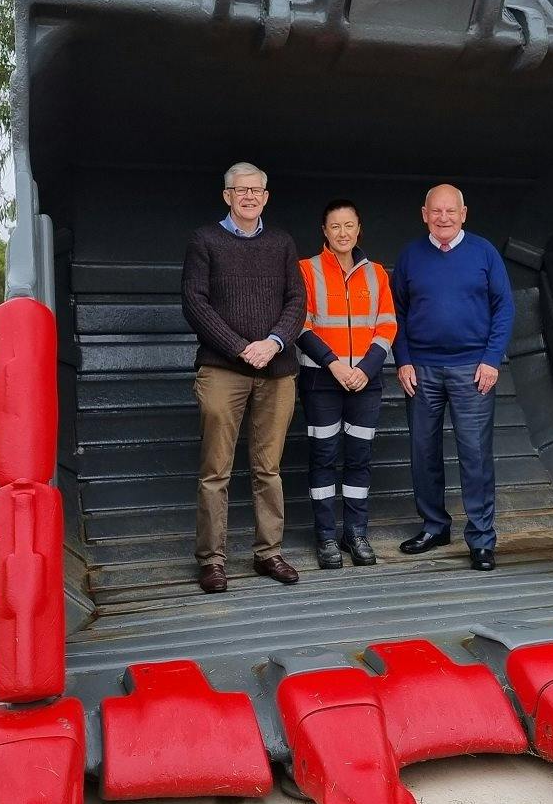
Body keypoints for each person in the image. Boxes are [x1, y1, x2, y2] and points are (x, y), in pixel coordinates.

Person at [180, 162, 306, 594]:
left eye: (256, 190)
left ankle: (268, 552)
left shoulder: (282, 243)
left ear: (266, 197)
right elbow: (195, 303)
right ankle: (212, 560)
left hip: (277, 369)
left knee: (268, 468)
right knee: (215, 470)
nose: (249, 196)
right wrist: (239, 347)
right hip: (222, 369)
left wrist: (272, 342)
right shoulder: (205, 241)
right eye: (240, 189)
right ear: (227, 196)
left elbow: (297, 301)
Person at [392, 184, 515, 571]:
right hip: (422, 369)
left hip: (473, 369)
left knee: (476, 456)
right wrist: (404, 361)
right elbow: (395, 313)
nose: (443, 218)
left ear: (464, 213)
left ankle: (481, 538)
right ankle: (434, 526)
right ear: (424, 214)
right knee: (422, 451)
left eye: (451, 211)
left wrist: (492, 359)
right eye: (436, 211)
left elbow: (504, 308)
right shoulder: (411, 255)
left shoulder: (484, 252)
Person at [295, 199, 398, 569]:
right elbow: (300, 326)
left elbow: (387, 325)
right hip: (322, 378)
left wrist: (366, 369)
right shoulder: (306, 269)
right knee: (323, 457)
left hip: (364, 382)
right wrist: (335, 365)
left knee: (359, 458)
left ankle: (355, 533)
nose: (343, 233)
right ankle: (325, 537)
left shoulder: (377, 274)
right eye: (335, 226)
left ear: (359, 229)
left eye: (349, 225)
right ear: (324, 231)